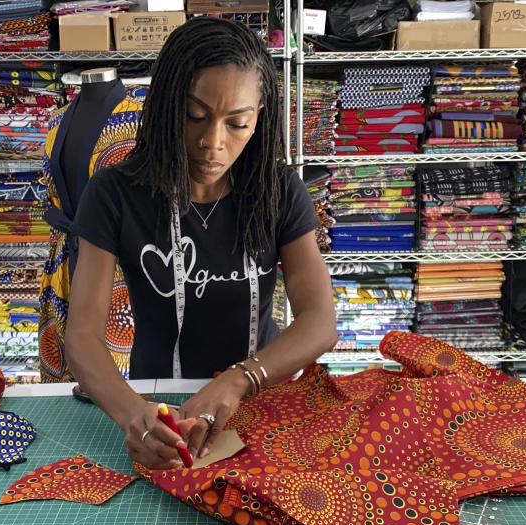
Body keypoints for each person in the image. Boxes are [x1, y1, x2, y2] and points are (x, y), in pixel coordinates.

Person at [63, 17, 336, 470]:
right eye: (194, 116)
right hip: (159, 403)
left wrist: (240, 379)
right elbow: (82, 335)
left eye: (238, 123)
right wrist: (134, 416)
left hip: (258, 395)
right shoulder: (116, 193)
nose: (213, 142)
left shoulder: (278, 190)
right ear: (167, 106)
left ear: (259, 118)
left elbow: (320, 321)